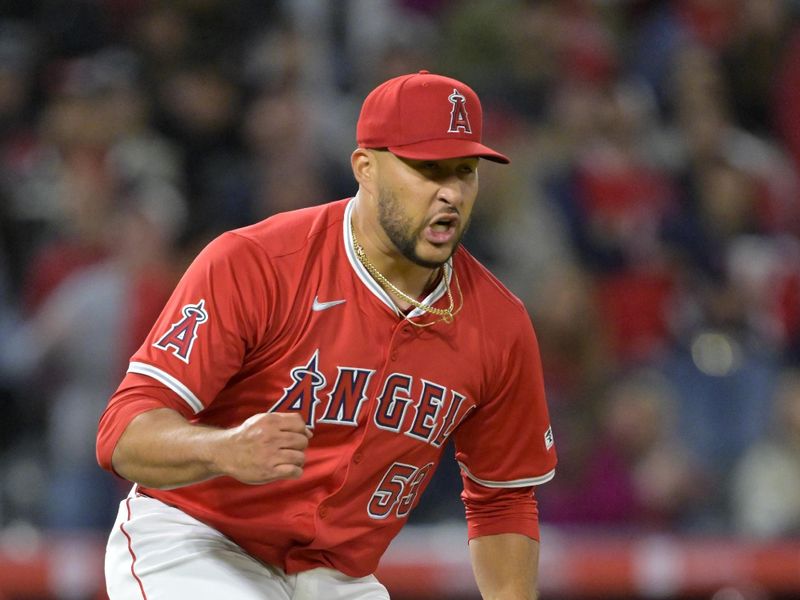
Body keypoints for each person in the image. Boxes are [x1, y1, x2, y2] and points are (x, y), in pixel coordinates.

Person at [96, 70, 557, 600]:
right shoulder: (259, 263)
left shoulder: (498, 323)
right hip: (198, 541)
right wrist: (223, 449)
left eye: (464, 172)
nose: (450, 192)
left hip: (338, 578)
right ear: (365, 167)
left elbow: (502, 498)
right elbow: (122, 433)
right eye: (427, 170)